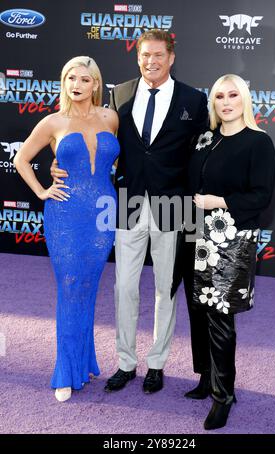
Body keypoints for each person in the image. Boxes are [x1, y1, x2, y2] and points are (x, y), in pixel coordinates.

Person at [51, 29, 208, 394]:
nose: (150, 62)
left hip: (174, 205)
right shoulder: (119, 94)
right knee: (124, 288)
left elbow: (202, 155)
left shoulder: (194, 100)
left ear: (170, 57)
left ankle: (157, 363)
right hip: (127, 203)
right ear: (137, 58)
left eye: (157, 55)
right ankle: (125, 362)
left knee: (164, 290)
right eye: (144, 56)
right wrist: (59, 167)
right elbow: (97, 142)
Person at [172, 74, 275, 429]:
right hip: (195, 235)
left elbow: (261, 196)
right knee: (197, 310)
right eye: (219, 96)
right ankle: (206, 378)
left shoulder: (258, 143)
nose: (226, 101)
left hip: (231, 240)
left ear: (244, 100)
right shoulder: (204, 139)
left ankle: (223, 395)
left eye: (233, 95)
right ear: (212, 103)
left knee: (219, 317)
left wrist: (221, 201)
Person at [14, 56, 119, 402]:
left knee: (89, 287)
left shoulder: (110, 117)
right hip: (65, 215)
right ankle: (65, 370)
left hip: (103, 214)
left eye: (84, 79)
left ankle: (84, 363)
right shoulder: (52, 122)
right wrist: (43, 189)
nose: (77, 85)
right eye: (70, 78)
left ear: (96, 84)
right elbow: (21, 159)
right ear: (64, 82)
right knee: (70, 287)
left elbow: (112, 161)